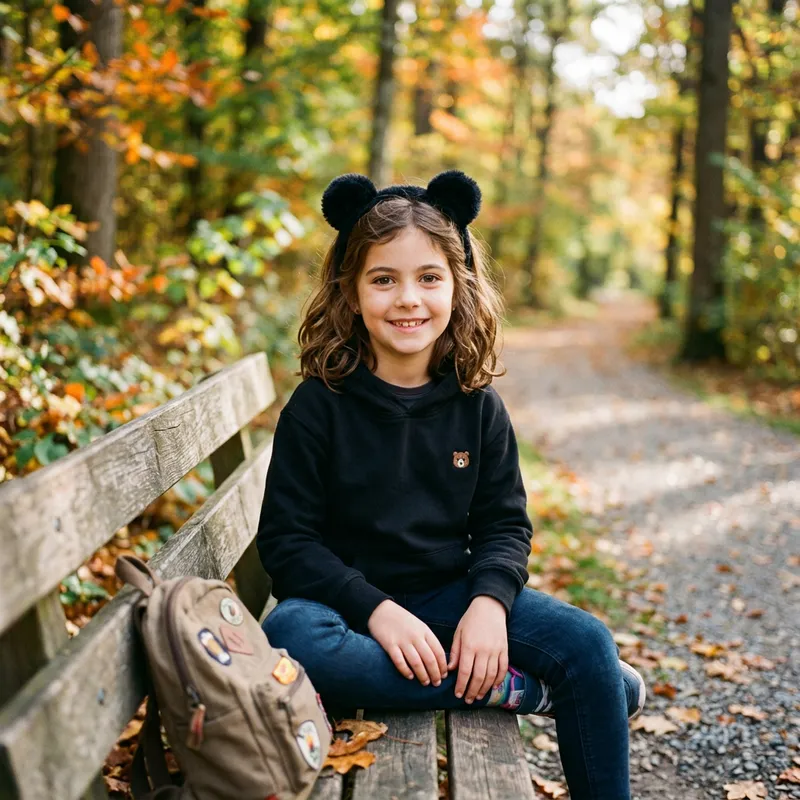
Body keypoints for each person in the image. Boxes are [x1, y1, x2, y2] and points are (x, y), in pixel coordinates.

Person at [256, 170, 646, 799]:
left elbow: (504, 524)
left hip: (449, 596)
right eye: (384, 279)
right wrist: (377, 611)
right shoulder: (317, 406)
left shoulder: (478, 405)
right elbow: (288, 543)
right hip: (343, 610)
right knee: (291, 638)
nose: (408, 298)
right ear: (350, 294)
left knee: (588, 642)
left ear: (457, 288)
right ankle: (505, 686)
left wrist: (489, 604)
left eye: (428, 278)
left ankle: (548, 672)